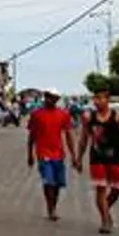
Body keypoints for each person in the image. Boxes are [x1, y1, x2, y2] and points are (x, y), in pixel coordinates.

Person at [74, 89, 119, 234]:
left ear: (107, 100)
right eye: (95, 98)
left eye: (100, 98)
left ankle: (105, 209)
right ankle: (105, 220)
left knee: (117, 189)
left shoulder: (118, 117)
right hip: (97, 158)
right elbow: (83, 139)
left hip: (114, 158)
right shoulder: (89, 118)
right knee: (101, 189)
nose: (97, 101)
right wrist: (79, 158)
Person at [26, 89, 74, 221]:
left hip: (58, 153)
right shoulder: (37, 114)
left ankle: (53, 205)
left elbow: (69, 135)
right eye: (48, 97)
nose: (50, 100)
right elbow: (32, 136)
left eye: (53, 98)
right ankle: (50, 208)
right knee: (49, 182)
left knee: (58, 183)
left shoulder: (63, 115)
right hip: (43, 153)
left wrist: (74, 155)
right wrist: (30, 154)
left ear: (57, 99)